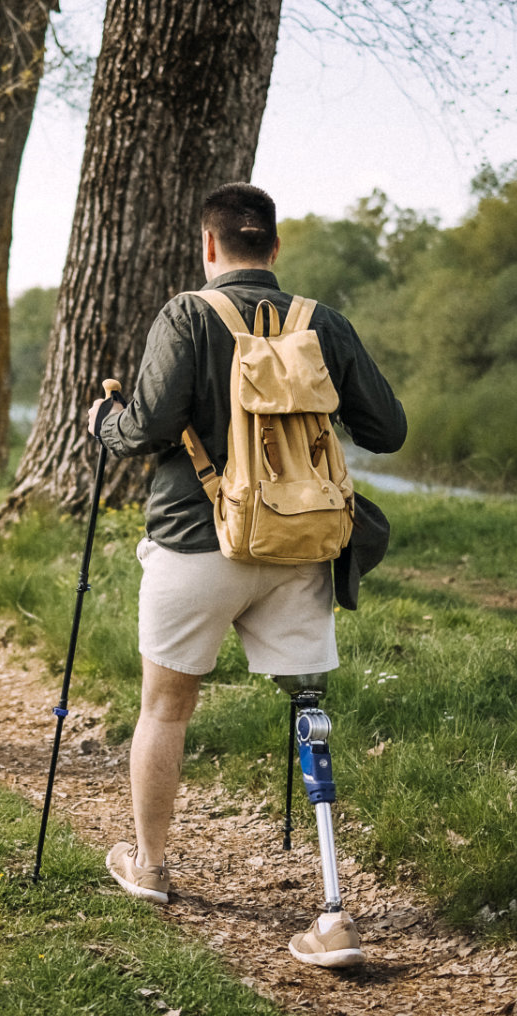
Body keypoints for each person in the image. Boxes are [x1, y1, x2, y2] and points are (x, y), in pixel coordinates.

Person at [86, 182, 406, 966]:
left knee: (164, 709)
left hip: (196, 545)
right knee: (309, 709)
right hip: (300, 548)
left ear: (209, 246)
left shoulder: (187, 315)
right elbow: (387, 431)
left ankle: (152, 867)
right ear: (274, 247)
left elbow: (150, 425)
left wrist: (105, 424)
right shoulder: (318, 322)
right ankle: (332, 913)